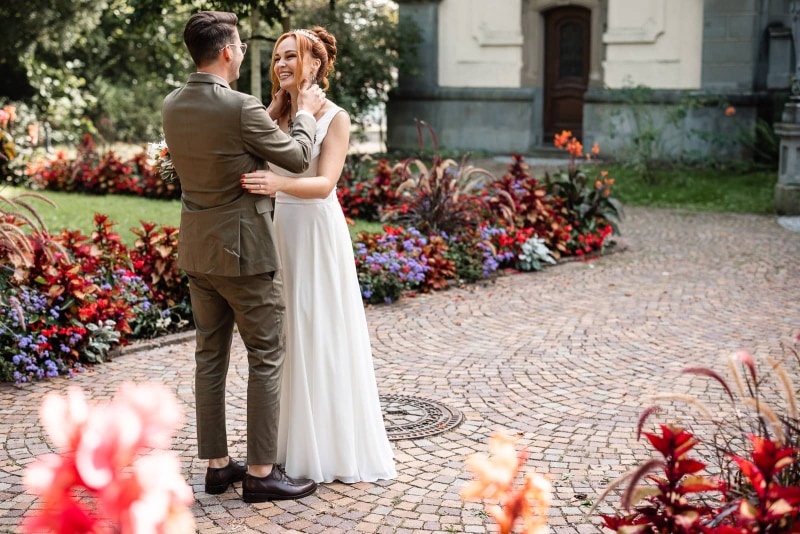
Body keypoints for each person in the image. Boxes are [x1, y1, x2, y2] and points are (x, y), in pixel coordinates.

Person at [161, 11, 328, 503]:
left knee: (209, 357)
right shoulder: (238, 106)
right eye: (239, 47)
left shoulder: (172, 105)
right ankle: (260, 472)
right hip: (246, 255)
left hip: (197, 250)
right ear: (229, 51)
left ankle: (216, 466)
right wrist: (305, 115)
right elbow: (296, 159)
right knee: (266, 356)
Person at [241, 27, 397, 483]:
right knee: (282, 335)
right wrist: (273, 111)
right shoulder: (273, 114)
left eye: (293, 56)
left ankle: (324, 446)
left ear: (316, 64)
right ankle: (283, 444)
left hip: (314, 230)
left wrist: (278, 185)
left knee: (316, 329)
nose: (283, 64)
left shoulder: (336, 117)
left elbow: (325, 183)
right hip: (276, 231)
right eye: (277, 58)